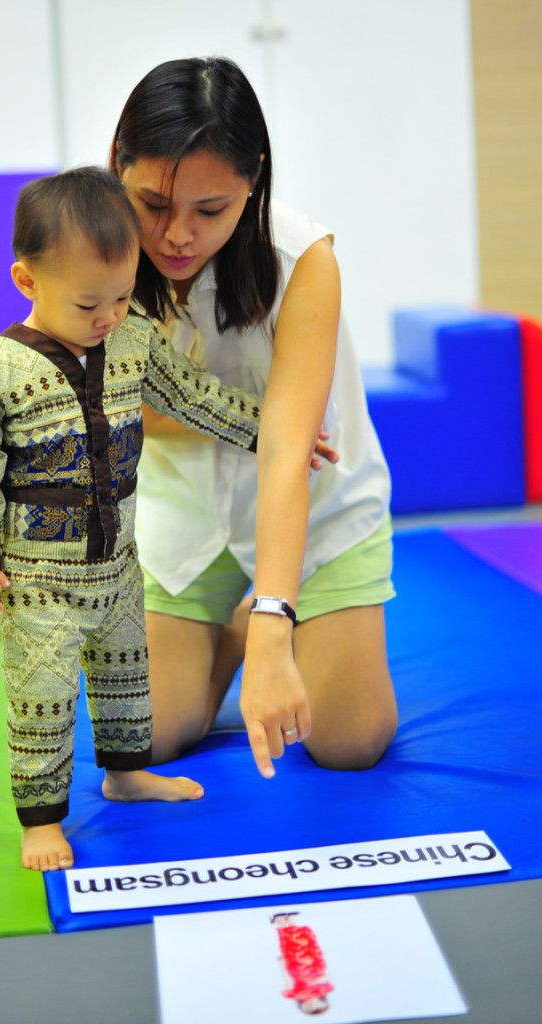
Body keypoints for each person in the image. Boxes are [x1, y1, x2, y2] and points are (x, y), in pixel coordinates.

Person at [0, 166, 268, 872]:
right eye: (90, 303)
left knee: (126, 678)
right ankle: (41, 818)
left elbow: (192, 395)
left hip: (118, 563)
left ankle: (124, 773)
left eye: (121, 296)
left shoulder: (131, 340)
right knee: (43, 696)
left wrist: (269, 429)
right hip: (37, 578)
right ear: (27, 281)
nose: (109, 315)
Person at [111, 56, 398, 781]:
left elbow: (285, 454)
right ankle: (227, 633)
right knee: (140, 740)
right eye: (152, 203)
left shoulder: (301, 258)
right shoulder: (94, 251)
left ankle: (254, 622)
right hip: (182, 507)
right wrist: (246, 421)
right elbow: (113, 414)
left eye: (210, 210)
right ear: (119, 166)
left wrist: (275, 623)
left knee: (347, 741)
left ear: (254, 178)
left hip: (316, 506)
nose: (177, 235)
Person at [272, 912, 333, 1015]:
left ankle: (281, 923)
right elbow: (327, 976)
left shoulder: (296, 994)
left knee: (290, 946)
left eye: (309, 1009)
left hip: (297, 968)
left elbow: (287, 980)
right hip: (315, 965)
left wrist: (281, 964)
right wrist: (317, 980)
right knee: (306, 943)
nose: (311, 1005)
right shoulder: (323, 989)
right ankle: (291, 922)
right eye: (316, 1006)